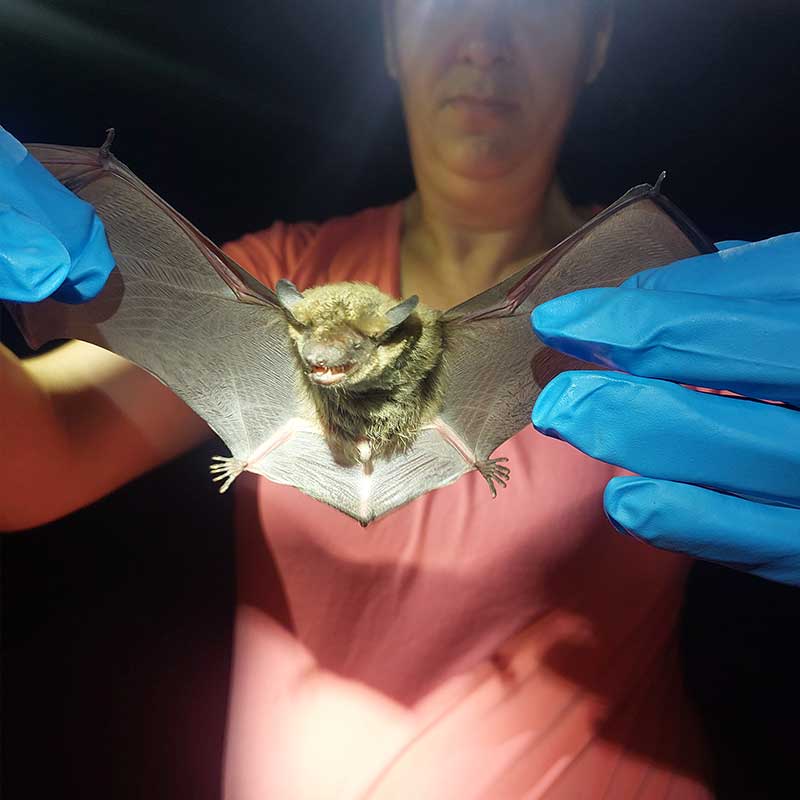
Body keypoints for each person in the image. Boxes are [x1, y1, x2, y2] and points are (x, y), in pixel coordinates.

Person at [1, 0, 797, 797]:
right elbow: (39, 456)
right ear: (389, 36)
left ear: (595, 44)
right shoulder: (277, 277)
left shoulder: (659, 303)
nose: (483, 41)